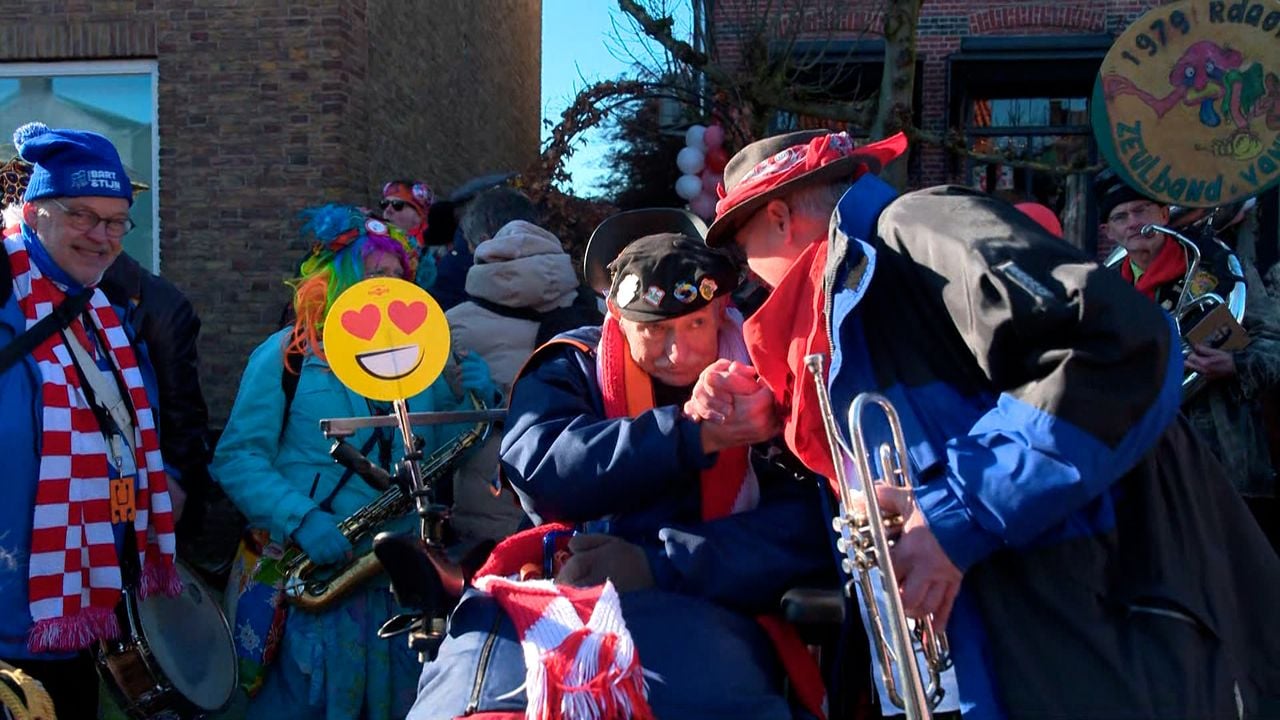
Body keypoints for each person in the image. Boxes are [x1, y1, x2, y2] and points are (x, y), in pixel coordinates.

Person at [689, 129, 1280, 718]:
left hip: (1088, 635)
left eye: (746, 252)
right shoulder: (843, 302)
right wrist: (772, 423)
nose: (752, 275)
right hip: (996, 655)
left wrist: (958, 511)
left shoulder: (915, 229)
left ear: (778, 218)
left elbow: (1115, 346)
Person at [407, 217, 835, 720]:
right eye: (653, 330)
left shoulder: (768, 374)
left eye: (696, 324)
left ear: (722, 309)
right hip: (561, 585)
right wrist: (689, 434)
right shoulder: (572, 362)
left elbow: (809, 525)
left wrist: (658, 563)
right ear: (613, 313)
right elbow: (540, 471)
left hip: (711, 602)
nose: (677, 352)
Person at [210, 204, 497, 720]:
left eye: (396, 275)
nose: (387, 285)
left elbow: (435, 459)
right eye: (373, 272)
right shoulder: (287, 355)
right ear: (339, 277)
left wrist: (474, 408)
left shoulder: (420, 364)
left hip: (395, 586)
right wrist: (302, 518)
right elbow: (236, 457)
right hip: (310, 581)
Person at [0, 122, 181, 718]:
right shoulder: (5, 293)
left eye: (114, 222)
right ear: (33, 211)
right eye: (81, 216)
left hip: (77, 606)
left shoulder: (105, 316)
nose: (101, 237)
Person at [1097, 172, 1280, 548]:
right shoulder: (1101, 291)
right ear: (1108, 232)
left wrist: (1236, 366)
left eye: (1142, 210)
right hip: (1141, 466)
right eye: (1121, 217)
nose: (1134, 222)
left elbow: (1276, 344)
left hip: (1224, 463)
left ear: (1164, 215)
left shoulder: (1220, 271)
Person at [443, 218, 593, 546]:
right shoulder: (590, 315)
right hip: (576, 493)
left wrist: (492, 400)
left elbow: (440, 421)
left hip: (487, 499)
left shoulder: (453, 324)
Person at [379, 179, 437, 290]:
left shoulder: (435, 252)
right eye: (384, 204)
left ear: (419, 215)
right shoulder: (371, 244)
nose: (388, 210)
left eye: (397, 205)